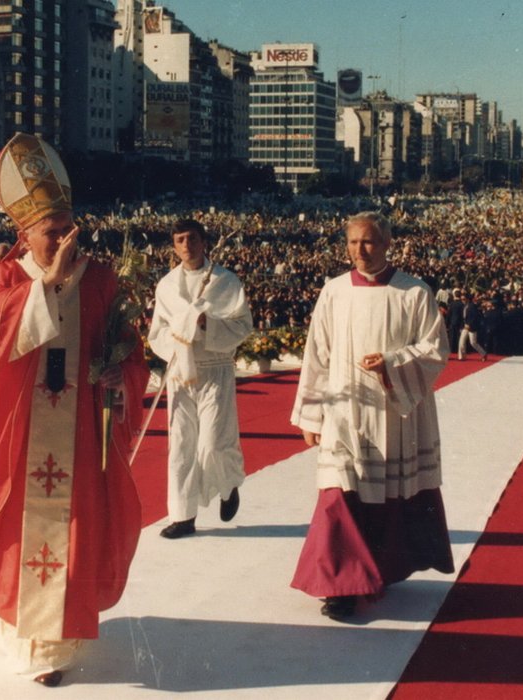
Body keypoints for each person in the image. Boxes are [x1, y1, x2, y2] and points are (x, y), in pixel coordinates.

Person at [0, 133, 148, 687]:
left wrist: (120, 373)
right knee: (20, 537)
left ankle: (55, 648)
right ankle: (25, 641)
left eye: (68, 228)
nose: (62, 240)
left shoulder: (101, 279)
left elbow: (129, 351)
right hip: (18, 439)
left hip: (80, 434)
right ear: (25, 233)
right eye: (50, 232)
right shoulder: (3, 278)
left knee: (75, 532)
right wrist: (49, 285)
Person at [290, 212, 454, 620]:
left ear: (387, 244)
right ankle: (339, 587)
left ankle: (376, 569)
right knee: (337, 491)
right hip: (342, 408)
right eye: (352, 242)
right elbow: (317, 353)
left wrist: (391, 364)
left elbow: (435, 350)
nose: (359, 251)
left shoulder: (413, 292)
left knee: (382, 494)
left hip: (392, 412)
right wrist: (311, 414)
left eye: (367, 242)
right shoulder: (334, 291)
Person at [147, 218, 253, 539]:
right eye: (179, 240)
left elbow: (243, 326)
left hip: (214, 367)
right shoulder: (167, 286)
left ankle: (228, 485)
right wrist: (178, 343)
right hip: (181, 370)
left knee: (213, 443)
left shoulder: (225, 281)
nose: (186, 245)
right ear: (173, 246)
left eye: (192, 238)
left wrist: (207, 324)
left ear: (203, 241)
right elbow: (157, 333)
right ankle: (183, 516)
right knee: (181, 445)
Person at [457, 290, 487, 361]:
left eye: (464, 299)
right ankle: (462, 357)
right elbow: (463, 317)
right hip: (465, 326)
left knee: (473, 343)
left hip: (471, 327)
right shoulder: (464, 306)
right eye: (461, 299)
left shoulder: (472, 306)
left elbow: (474, 317)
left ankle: (483, 353)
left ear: (467, 299)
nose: (462, 300)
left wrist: (469, 325)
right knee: (461, 341)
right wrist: (463, 326)